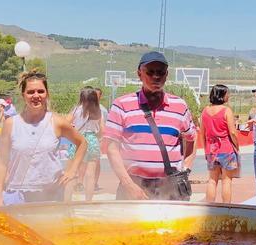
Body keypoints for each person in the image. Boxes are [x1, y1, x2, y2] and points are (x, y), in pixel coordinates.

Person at [102, 51, 197, 200]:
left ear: (166, 75)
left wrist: (186, 169)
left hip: (170, 189)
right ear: (139, 74)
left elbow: (191, 138)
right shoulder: (122, 105)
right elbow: (111, 148)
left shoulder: (180, 106)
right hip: (133, 187)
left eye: (160, 72)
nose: (155, 76)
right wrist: (129, 185)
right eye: (150, 72)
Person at [0, 70, 84, 206]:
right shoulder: (11, 124)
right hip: (17, 194)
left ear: (47, 94)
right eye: (31, 92)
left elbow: (82, 143)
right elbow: (1, 162)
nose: (36, 96)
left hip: (51, 194)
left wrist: (72, 171)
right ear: (23, 95)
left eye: (40, 91)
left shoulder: (57, 122)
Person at [200, 84, 240, 203]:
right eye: (227, 94)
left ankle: (210, 206)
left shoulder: (205, 111)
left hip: (211, 150)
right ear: (221, 95)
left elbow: (202, 133)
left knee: (212, 180)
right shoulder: (226, 111)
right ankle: (226, 207)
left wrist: (206, 150)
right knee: (227, 180)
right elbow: (232, 132)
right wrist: (237, 146)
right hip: (226, 149)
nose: (229, 96)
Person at [67, 87, 103, 201]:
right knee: (90, 174)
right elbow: (101, 130)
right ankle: (88, 201)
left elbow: (66, 123)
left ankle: (67, 201)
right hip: (92, 140)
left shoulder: (76, 109)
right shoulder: (98, 111)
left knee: (70, 172)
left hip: (78, 140)